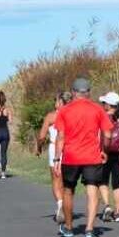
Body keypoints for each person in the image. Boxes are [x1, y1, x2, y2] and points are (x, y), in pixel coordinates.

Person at [54, 77, 113, 237]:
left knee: (68, 190)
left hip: (71, 157)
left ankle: (69, 227)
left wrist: (57, 158)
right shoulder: (97, 109)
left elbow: (60, 136)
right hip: (92, 156)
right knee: (92, 189)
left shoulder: (65, 110)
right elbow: (108, 134)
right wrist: (104, 150)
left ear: (73, 92)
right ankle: (89, 229)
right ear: (88, 92)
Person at [37, 91, 72, 222]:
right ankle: (64, 205)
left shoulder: (51, 116)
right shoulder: (72, 115)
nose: (54, 103)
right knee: (64, 179)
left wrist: (39, 147)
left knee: (55, 178)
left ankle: (60, 204)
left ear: (60, 103)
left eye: (56, 101)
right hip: (69, 147)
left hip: (54, 147)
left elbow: (41, 136)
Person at [97, 92, 119, 223]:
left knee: (103, 181)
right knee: (117, 184)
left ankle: (107, 206)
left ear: (109, 105)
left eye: (104, 103)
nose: (103, 105)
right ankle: (118, 213)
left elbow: (99, 135)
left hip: (105, 152)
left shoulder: (102, 117)